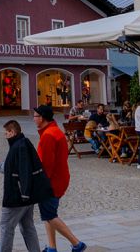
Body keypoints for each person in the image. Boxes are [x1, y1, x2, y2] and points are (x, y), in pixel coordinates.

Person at [0, 119, 52, 252]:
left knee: (6, 226)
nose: (4, 135)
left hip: (17, 196)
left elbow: (16, 169)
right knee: (27, 226)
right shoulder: (24, 143)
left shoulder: (18, 147)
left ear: (12, 132)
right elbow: (14, 166)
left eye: (6, 133)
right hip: (28, 195)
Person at [32, 105, 88, 252]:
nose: (33, 119)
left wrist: (40, 183)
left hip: (52, 182)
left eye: (35, 116)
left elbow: (46, 165)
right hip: (60, 178)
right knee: (49, 214)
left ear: (42, 118)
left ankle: (77, 244)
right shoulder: (55, 131)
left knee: (49, 215)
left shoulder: (48, 136)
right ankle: (51, 247)